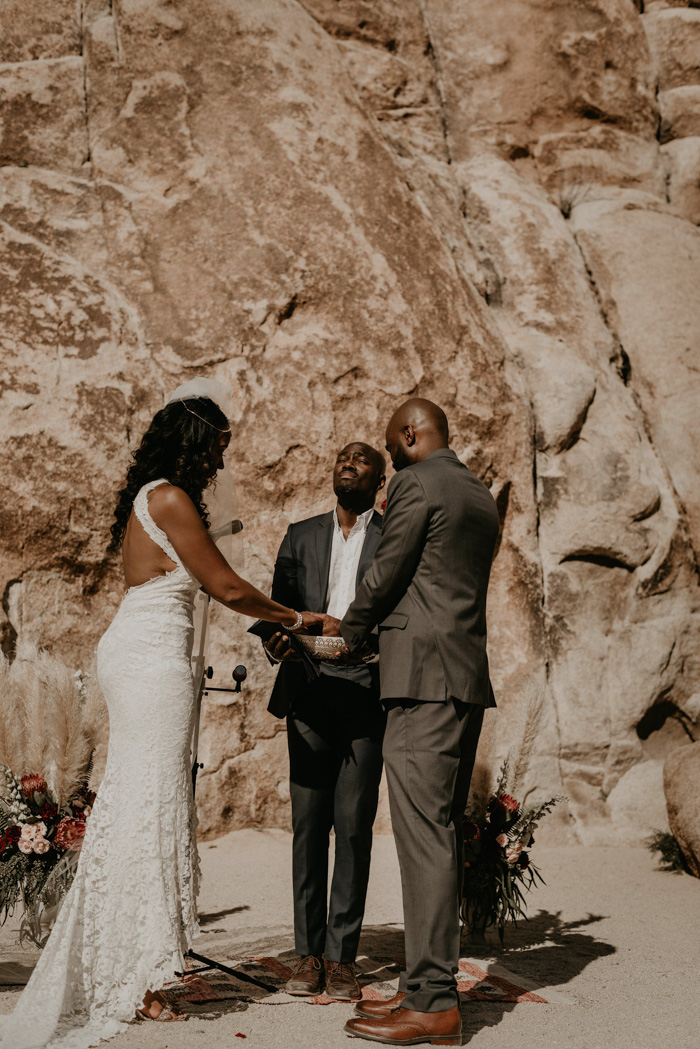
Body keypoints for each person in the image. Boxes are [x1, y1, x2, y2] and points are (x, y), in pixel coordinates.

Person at [0, 380, 324, 1049]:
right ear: (194, 442)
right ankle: (135, 980)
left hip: (146, 654)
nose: (219, 466)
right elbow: (226, 585)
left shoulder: (152, 495)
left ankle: (134, 963)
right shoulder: (171, 498)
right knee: (148, 805)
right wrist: (299, 617)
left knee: (142, 803)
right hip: (152, 663)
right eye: (216, 450)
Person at [325, 399, 500, 1047]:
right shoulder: (478, 491)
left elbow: (386, 570)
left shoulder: (418, 482)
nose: (389, 455)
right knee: (441, 837)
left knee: (422, 837)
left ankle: (432, 1003)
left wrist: (347, 631)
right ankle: (424, 983)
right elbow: (439, 585)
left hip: (422, 681)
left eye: (391, 444)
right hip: (463, 678)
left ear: (408, 434)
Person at [263, 442, 387, 1001]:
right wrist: (276, 643)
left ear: (379, 479)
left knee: (354, 830)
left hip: (365, 696)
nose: (349, 462)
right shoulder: (300, 534)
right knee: (309, 829)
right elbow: (275, 609)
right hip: (308, 693)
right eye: (343, 456)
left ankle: (342, 961)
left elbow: (401, 616)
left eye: (362, 459)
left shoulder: (392, 539)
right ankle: (307, 954)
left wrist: (372, 650)